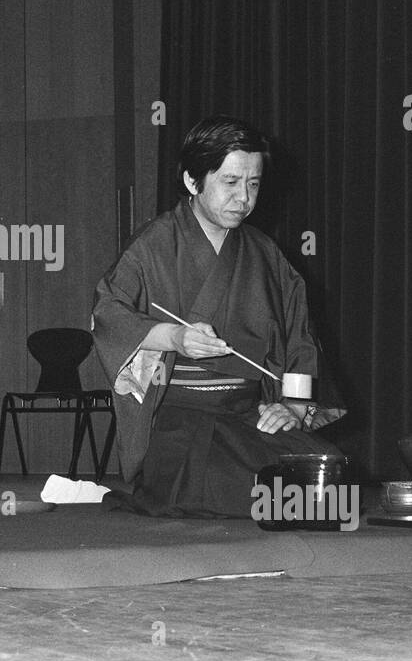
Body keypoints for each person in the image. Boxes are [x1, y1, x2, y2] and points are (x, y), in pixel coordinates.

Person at [92, 116, 346, 518]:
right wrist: (173, 338)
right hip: (177, 420)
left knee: (327, 485)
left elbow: (300, 340)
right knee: (228, 487)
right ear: (193, 181)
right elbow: (108, 313)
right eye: (230, 183)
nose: (243, 198)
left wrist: (293, 409)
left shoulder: (265, 254)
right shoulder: (154, 246)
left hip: (245, 416)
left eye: (254, 184)